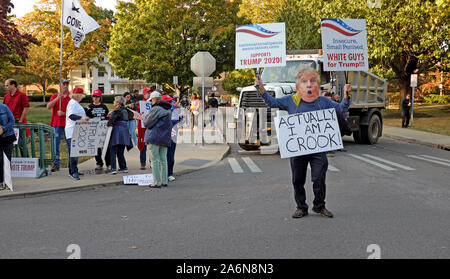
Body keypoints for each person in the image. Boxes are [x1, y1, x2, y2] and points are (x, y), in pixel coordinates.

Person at [256, 67, 351, 219]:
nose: (308, 85)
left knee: (319, 177)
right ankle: (301, 207)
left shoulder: (323, 101)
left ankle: (319, 206)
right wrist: (261, 89)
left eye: (312, 81)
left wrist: (346, 95)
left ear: (317, 85)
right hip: (297, 149)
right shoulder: (291, 101)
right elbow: (272, 103)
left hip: (318, 149)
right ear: (298, 86)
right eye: (304, 81)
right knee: (297, 179)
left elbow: (340, 109)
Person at [144, 91, 172, 188]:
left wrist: (144, 118)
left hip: (154, 137)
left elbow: (147, 124)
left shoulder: (156, 109)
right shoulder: (168, 109)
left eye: (151, 100)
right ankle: (164, 181)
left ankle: (156, 182)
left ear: (155, 99)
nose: (151, 102)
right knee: (163, 160)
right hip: (165, 138)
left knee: (155, 160)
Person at [65, 88, 90, 180]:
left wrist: (85, 109)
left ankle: (72, 170)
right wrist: (82, 118)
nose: (82, 98)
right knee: (74, 153)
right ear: (78, 95)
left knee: (74, 152)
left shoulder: (75, 103)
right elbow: (71, 116)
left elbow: (76, 111)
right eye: (82, 96)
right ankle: (73, 172)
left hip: (76, 131)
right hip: (72, 131)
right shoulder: (72, 103)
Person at [47, 79, 71, 172]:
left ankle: (71, 163)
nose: (65, 86)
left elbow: (74, 112)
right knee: (55, 144)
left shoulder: (71, 97)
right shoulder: (54, 96)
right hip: (56, 124)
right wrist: (57, 98)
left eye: (67, 84)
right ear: (60, 85)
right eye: (63, 84)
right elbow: (48, 107)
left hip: (68, 124)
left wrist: (64, 113)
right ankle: (56, 163)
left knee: (70, 144)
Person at [3, 79, 29, 157]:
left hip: (18, 122)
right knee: (8, 144)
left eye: (7, 85)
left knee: (21, 144)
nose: (5, 87)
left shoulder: (22, 95)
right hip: (8, 123)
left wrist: (20, 120)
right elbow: (3, 109)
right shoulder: (6, 96)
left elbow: (26, 107)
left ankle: (26, 162)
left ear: (13, 85)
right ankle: (8, 164)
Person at [107, 96, 132, 175]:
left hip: (117, 130)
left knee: (113, 150)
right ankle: (124, 167)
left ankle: (113, 168)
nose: (113, 102)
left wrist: (109, 116)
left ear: (117, 103)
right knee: (121, 151)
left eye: (114, 101)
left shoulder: (116, 111)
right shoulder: (125, 110)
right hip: (125, 131)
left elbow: (110, 122)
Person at [86, 89, 110, 170]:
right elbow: (86, 117)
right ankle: (99, 163)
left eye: (97, 96)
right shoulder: (90, 107)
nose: (95, 98)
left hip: (103, 129)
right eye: (94, 96)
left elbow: (107, 116)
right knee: (96, 147)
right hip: (94, 129)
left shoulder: (104, 106)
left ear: (100, 97)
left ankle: (108, 163)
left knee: (105, 146)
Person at [0, 104, 16, 190]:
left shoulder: (4, 107)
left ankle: (7, 181)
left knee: (7, 159)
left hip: (8, 136)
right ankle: (0, 181)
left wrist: (3, 128)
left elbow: (12, 120)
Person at [137, 87, 152, 170]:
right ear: (144, 94)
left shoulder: (153, 103)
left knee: (152, 145)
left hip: (151, 126)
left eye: (150, 93)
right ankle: (143, 163)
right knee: (143, 145)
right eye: (148, 93)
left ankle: (152, 162)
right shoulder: (140, 103)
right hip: (142, 127)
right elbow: (137, 114)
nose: (149, 94)